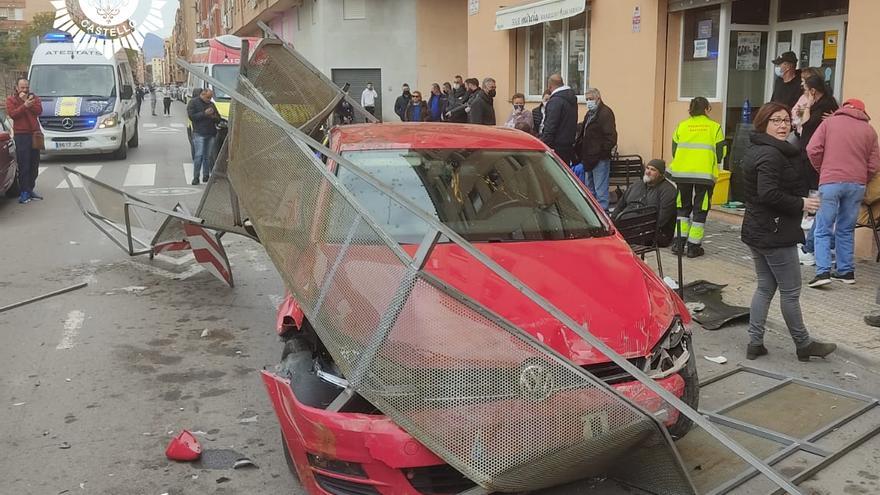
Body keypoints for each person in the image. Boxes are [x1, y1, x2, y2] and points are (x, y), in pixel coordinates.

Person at [740, 101, 836, 362]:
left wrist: (802, 124)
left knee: (764, 287)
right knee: (791, 292)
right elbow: (768, 192)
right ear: (764, 123)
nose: (783, 125)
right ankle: (803, 344)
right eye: (776, 121)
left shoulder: (759, 147)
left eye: (785, 120)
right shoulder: (771, 155)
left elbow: (794, 149)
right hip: (774, 232)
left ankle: (754, 342)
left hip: (757, 228)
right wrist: (802, 203)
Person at [807, 98, 880, 287]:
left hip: (831, 182)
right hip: (857, 185)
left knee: (823, 228)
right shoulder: (869, 131)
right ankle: (846, 271)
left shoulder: (829, 123)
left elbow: (812, 149)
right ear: (862, 112)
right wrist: (862, 177)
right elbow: (874, 164)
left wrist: (822, 169)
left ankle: (823, 272)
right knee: (846, 228)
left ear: (844, 108)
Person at [667, 97, 726, 258]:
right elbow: (721, 151)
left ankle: (678, 243)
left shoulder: (682, 126)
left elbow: (674, 149)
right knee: (700, 209)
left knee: (683, 208)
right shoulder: (714, 127)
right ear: (707, 109)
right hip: (705, 175)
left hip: (682, 174)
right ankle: (693, 246)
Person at [796, 74, 839, 266]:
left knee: (817, 196)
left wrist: (807, 108)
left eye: (805, 86)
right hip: (812, 154)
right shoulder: (821, 103)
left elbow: (805, 125)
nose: (803, 88)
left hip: (816, 156)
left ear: (813, 90)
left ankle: (811, 247)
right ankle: (815, 243)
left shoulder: (826, 104)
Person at [612, 159, 678, 247]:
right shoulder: (636, 185)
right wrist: (611, 223)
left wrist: (638, 229)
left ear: (661, 174)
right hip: (628, 227)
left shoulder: (668, 190)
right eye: (647, 168)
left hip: (652, 233)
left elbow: (662, 219)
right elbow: (620, 206)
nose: (648, 172)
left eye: (653, 170)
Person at [574, 87, 617, 210]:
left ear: (598, 98)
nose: (588, 102)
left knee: (600, 191)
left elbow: (611, 138)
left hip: (600, 158)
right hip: (588, 158)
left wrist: (600, 152)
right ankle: (593, 213)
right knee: (590, 190)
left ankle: (603, 214)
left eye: (591, 99)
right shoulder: (589, 114)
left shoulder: (605, 113)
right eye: (586, 99)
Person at [5, 78, 43, 204]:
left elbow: (39, 111)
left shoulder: (34, 98)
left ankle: (30, 189)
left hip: (35, 134)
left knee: (34, 164)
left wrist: (27, 101)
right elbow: (12, 114)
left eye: (26, 87)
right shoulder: (11, 100)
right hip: (21, 135)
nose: (25, 90)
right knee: (24, 164)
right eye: (22, 87)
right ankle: (24, 192)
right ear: (17, 88)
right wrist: (23, 105)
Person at [540, 74, 577, 164]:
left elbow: (550, 125)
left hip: (556, 146)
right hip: (568, 144)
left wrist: (544, 144)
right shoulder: (571, 99)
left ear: (549, 86)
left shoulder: (555, 101)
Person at [187, 89, 220, 185]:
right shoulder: (193, 102)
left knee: (208, 156)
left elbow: (218, 118)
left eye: (210, 97)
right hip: (199, 132)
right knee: (199, 155)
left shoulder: (211, 104)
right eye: (208, 97)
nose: (209, 99)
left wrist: (214, 117)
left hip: (211, 133)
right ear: (202, 95)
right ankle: (196, 177)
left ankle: (206, 175)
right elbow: (192, 116)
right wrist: (204, 113)